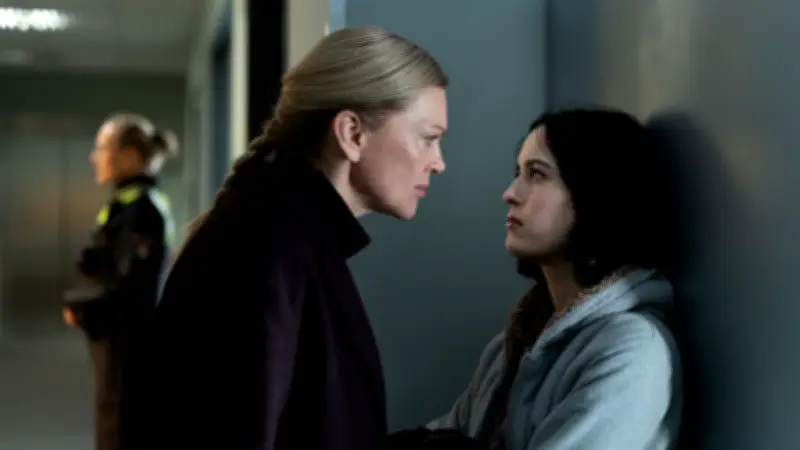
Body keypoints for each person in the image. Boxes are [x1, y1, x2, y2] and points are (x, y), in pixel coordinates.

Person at [142, 26, 448, 450]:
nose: (438, 163)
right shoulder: (268, 249)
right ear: (352, 134)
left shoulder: (283, 232)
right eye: (428, 139)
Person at [427, 109, 683, 450]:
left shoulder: (632, 351)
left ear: (593, 192)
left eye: (536, 174)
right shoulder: (513, 344)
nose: (510, 193)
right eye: (518, 173)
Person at [62, 113, 178, 450]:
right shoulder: (127, 204)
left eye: (102, 148)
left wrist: (84, 309)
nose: (93, 157)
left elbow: (135, 291)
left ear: (128, 156)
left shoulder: (143, 211)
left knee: (121, 429)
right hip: (118, 343)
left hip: (129, 346)